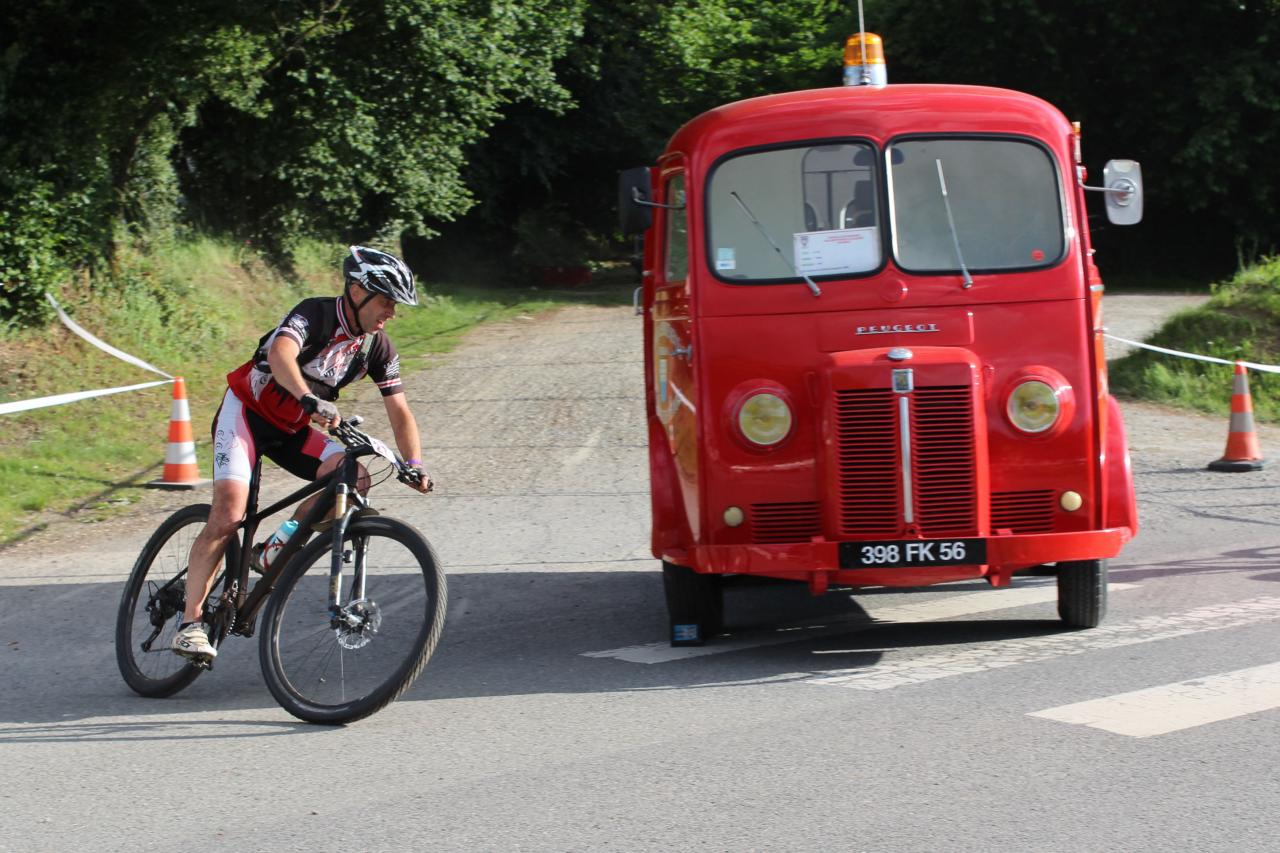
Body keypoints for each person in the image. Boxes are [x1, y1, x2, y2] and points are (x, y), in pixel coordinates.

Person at [171, 246, 433, 660]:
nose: (391, 312)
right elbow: (280, 354)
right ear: (357, 290)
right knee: (229, 515)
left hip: (292, 429)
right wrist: (309, 398)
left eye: (395, 304)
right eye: (385, 300)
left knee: (354, 477)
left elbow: (399, 409)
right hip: (246, 416)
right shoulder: (315, 313)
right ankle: (189, 623)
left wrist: (413, 464)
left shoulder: (376, 348)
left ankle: (276, 545)